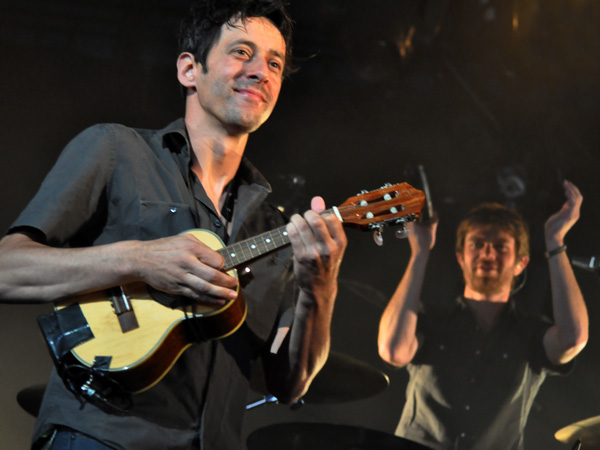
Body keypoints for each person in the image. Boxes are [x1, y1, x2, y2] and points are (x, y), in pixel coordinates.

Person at [0, 1, 348, 449]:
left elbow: (290, 384)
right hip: (99, 437)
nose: (262, 70)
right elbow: (7, 270)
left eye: (274, 62)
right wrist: (140, 259)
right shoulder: (115, 150)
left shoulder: (275, 230)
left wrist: (321, 288)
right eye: (242, 52)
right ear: (189, 69)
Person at [378, 180, 588, 450]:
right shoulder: (432, 322)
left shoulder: (530, 332)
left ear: (520, 263)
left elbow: (573, 339)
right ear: (460, 258)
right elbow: (392, 349)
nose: (487, 253)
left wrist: (555, 241)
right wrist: (420, 252)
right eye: (477, 244)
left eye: (500, 246)